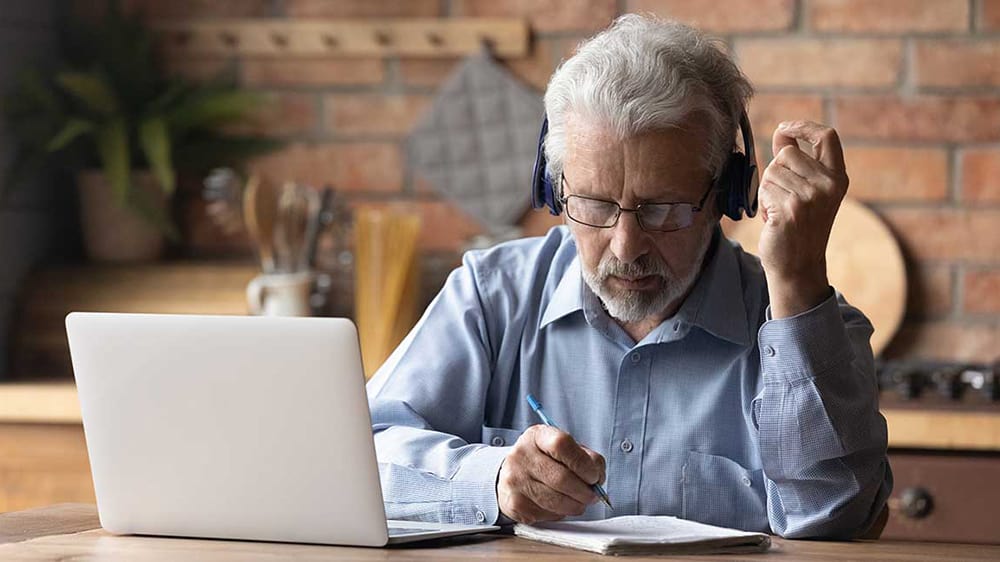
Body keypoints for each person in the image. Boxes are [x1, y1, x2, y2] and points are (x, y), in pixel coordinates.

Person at [366, 14, 892, 539]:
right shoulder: (492, 298)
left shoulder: (814, 331)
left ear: (728, 197)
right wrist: (493, 476)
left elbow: (834, 519)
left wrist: (797, 282)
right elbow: (362, 452)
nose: (626, 247)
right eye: (593, 205)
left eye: (663, 209)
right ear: (554, 191)